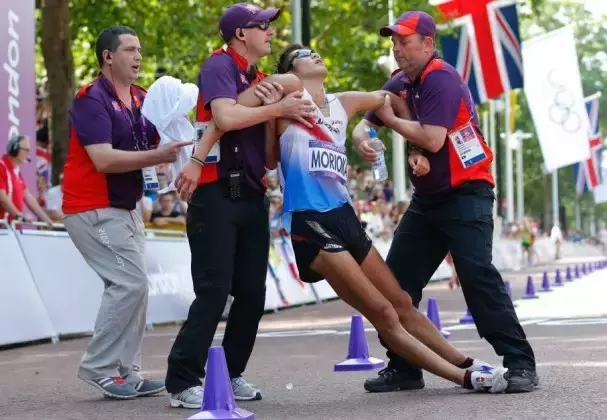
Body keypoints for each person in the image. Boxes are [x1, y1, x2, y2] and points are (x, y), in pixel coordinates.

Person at [183, 43, 512, 395]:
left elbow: (391, 101)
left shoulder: (346, 102)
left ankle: (468, 363)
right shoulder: (282, 103)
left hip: (344, 216)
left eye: (315, 51)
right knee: (384, 312)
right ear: (291, 71)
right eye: (304, 55)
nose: (315, 54)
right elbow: (249, 143)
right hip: (309, 223)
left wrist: (399, 142)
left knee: (401, 301)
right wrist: (206, 154)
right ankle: (466, 379)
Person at [351, 11, 538, 393]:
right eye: (394, 41)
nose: (397, 48)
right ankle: (405, 365)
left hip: (468, 194)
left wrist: (392, 122)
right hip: (428, 199)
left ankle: (520, 362)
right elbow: (366, 120)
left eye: (404, 41)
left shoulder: (441, 78)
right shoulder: (401, 81)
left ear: (428, 43)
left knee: (476, 275)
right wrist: (364, 138)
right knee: (396, 284)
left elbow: (433, 139)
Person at [165, 3, 317, 409]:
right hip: (214, 195)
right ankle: (182, 379)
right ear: (240, 34)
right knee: (214, 291)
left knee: (252, 292)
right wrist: (278, 108)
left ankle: (229, 374)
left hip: (251, 194)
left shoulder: (261, 77)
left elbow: (267, 156)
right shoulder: (219, 66)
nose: (270, 31)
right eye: (262, 26)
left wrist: (278, 106)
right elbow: (225, 117)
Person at [61, 26, 190, 400]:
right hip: (91, 208)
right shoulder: (90, 99)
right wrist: (157, 157)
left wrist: (165, 162)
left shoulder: (142, 98)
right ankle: (99, 368)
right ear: (107, 56)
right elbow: (102, 159)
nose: (138, 57)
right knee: (129, 283)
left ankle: (126, 372)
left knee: (136, 288)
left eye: (140, 50)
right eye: (131, 50)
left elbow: (156, 146)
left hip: (126, 207)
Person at [0, 134, 53, 225]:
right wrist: (19, 215)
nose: (29, 153)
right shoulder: (2, 167)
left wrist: (48, 221)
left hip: (11, 229)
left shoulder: (16, 172)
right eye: (27, 150)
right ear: (15, 149)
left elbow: (28, 197)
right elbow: (2, 198)